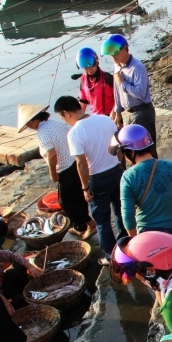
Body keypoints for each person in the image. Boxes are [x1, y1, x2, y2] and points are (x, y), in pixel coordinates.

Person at [55, 95, 125, 264]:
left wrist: (85, 188)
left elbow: (81, 164)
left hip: (97, 179)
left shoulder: (75, 133)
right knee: (121, 212)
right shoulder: (105, 119)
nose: (65, 121)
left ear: (66, 113)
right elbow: (119, 146)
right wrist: (122, 168)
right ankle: (126, 247)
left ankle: (111, 257)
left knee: (102, 221)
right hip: (116, 171)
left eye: (62, 118)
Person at [115, 125, 172, 257]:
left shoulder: (128, 177)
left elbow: (127, 215)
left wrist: (134, 239)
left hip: (149, 236)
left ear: (129, 152)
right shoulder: (171, 167)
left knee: (158, 272)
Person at [19, 103, 96, 240]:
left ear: (31, 121)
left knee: (65, 202)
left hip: (65, 167)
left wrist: (53, 173)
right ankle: (80, 226)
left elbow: (52, 155)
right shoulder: (55, 123)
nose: (29, 127)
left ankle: (90, 224)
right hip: (74, 162)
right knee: (78, 197)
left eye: (28, 124)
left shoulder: (42, 133)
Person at [102, 34, 158, 157]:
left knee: (147, 148)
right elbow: (117, 91)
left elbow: (141, 94)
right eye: (110, 54)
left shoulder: (137, 67)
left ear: (125, 49)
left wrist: (123, 83)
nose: (113, 56)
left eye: (115, 53)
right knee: (131, 148)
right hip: (127, 113)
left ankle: (154, 172)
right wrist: (118, 112)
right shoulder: (117, 66)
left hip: (142, 112)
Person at [76, 47, 116, 120]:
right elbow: (83, 101)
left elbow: (119, 99)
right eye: (86, 67)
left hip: (111, 116)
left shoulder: (108, 78)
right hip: (96, 118)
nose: (89, 69)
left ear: (97, 61)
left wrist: (114, 113)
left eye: (92, 65)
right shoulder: (83, 79)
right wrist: (78, 119)